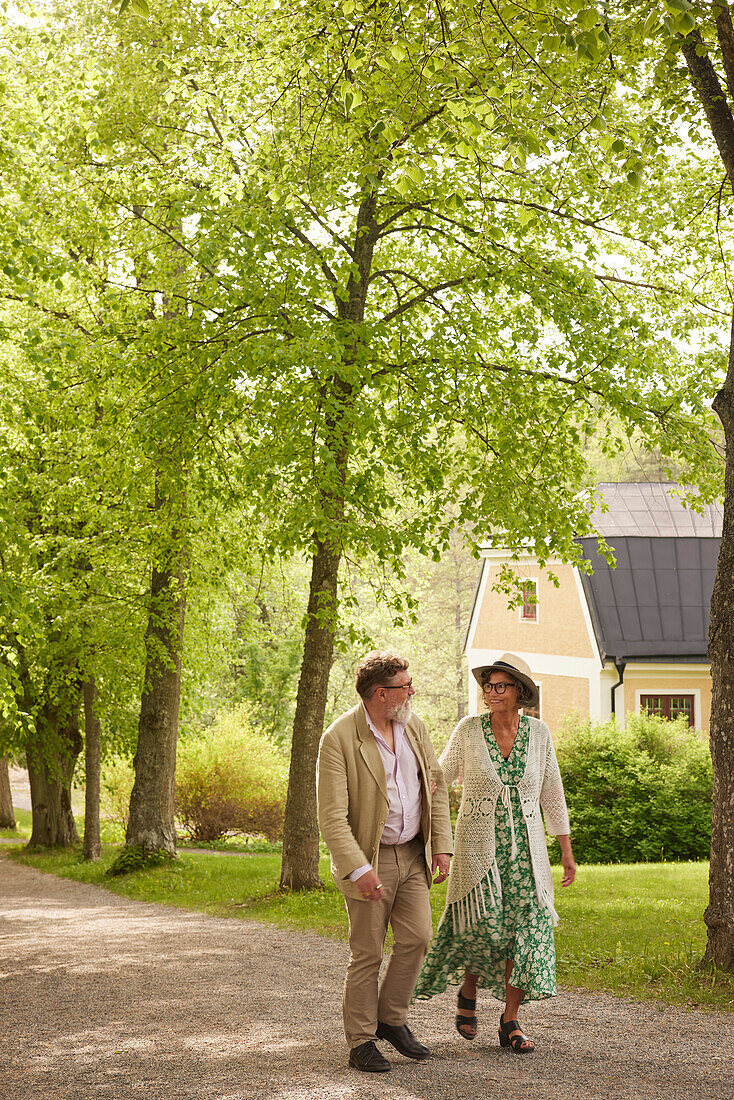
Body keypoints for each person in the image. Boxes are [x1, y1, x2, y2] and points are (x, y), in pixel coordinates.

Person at [413, 652, 576, 1054]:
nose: (491, 692)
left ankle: (510, 1020)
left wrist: (566, 851)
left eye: (500, 686)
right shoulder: (469, 730)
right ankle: (467, 989)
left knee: (526, 930)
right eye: (488, 686)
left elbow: (552, 792)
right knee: (481, 925)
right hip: (478, 848)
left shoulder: (539, 734)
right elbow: (438, 777)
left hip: (527, 851)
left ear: (519, 692)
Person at [317, 651, 454, 1074]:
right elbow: (332, 818)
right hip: (369, 860)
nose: (412, 691)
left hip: (412, 854)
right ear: (381, 693)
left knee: (417, 938)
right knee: (368, 953)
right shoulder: (338, 738)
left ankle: (391, 1019)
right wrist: (359, 868)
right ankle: (360, 1041)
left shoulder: (414, 725)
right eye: (406, 685)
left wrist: (442, 846)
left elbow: (437, 788)